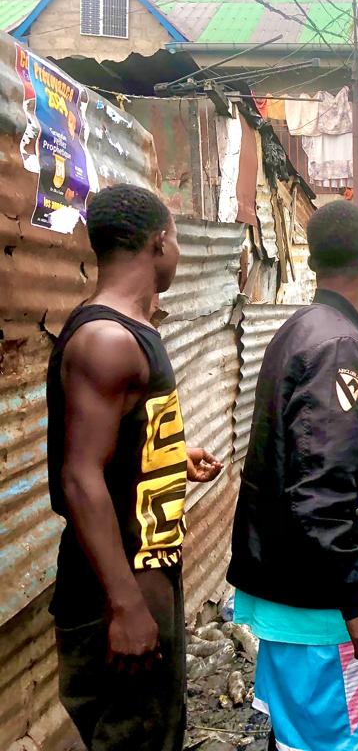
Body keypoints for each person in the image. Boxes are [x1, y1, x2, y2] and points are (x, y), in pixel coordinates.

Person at [228, 199, 358, 751]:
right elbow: (320, 490)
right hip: (325, 614)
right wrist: (357, 604)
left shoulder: (300, 329)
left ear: (314, 262)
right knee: (344, 743)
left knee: (299, 739)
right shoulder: (338, 344)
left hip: (301, 597)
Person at [46, 183, 223, 751]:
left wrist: (172, 456)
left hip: (146, 573)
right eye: (175, 242)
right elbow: (79, 476)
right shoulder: (107, 340)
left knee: (156, 732)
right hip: (114, 590)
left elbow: (118, 444)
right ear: (160, 242)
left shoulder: (133, 332)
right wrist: (125, 605)